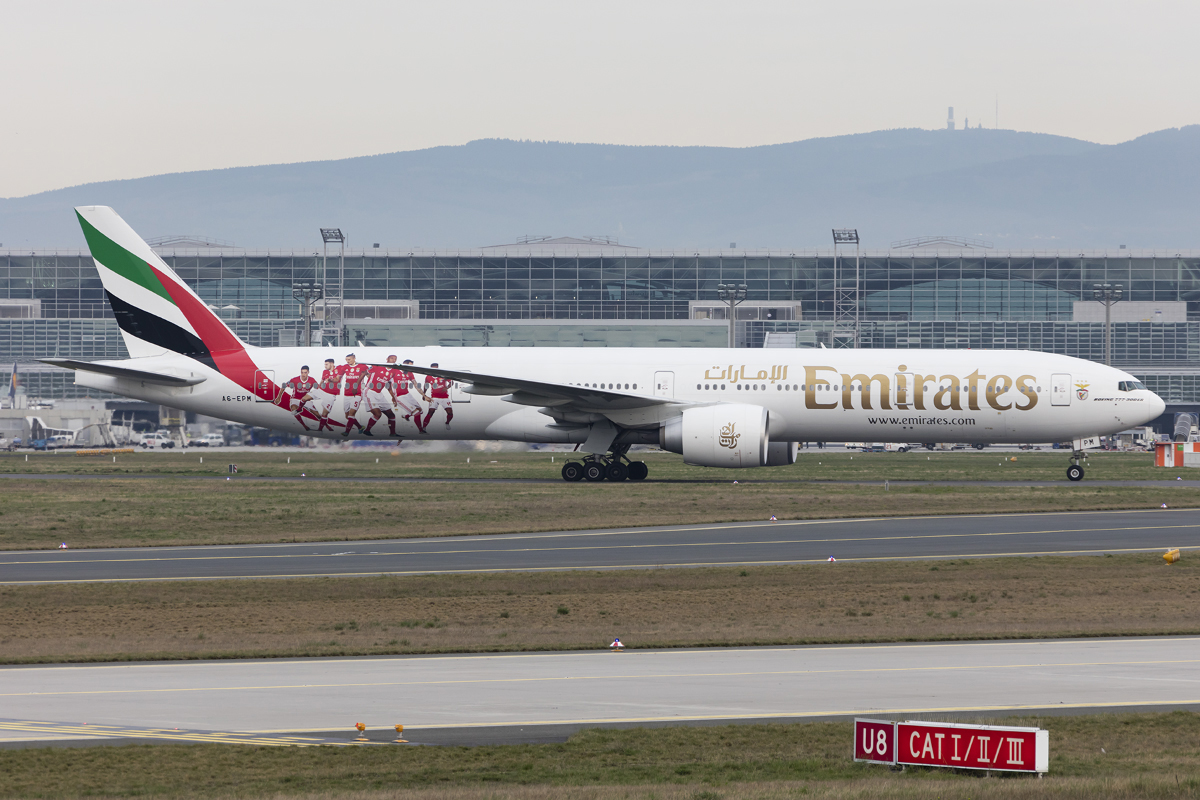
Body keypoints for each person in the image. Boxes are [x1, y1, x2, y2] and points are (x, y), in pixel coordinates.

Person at [336, 353, 370, 437]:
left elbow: (369, 376)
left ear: (354, 358)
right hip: (347, 394)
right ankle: (360, 427)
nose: (347, 361)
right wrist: (331, 380)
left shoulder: (362, 366)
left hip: (357, 394)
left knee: (351, 414)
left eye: (349, 359)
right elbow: (337, 378)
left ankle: (346, 432)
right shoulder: (345, 367)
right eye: (346, 360)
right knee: (347, 416)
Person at [362, 359, 399, 437]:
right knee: (378, 414)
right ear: (387, 359)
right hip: (370, 392)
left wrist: (393, 397)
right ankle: (367, 430)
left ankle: (393, 433)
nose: (393, 360)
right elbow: (365, 372)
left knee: (391, 415)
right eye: (392, 358)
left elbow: (388, 386)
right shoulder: (378, 367)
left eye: (395, 359)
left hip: (379, 394)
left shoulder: (392, 372)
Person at [394, 358, 428, 433]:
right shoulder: (395, 371)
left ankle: (407, 416)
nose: (410, 368)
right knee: (416, 413)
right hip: (399, 396)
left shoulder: (409, 373)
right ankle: (421, 430)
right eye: (409, 366)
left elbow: (415, 385)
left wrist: (424, 395)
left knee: (421, 410)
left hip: (407, 394)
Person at [421, 362, 453, 432]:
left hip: (444, 397)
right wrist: (424, 395)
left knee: (450, 413)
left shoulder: (443, 375)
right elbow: (426, 386)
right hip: (434, 397)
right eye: (433, 369)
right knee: (430, 412)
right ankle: (423, 427)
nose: (434, 371)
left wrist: (447, 387)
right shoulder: (428, 377)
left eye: (436, 369)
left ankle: (447, 423)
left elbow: (451, 382)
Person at [284, 366, 319, 431]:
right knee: (294, 409)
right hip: (295, 398)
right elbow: (284, 386)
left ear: (308, 372)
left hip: (306, 399)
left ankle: (326, 425)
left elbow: (318, 388)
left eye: (305, 372)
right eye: (302, 372)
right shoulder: (295, 379)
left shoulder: (312, 380)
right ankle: (304, 425)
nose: (303, 374)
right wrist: (278, 398)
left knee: (318, 415)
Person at [313, 359, 343, 432]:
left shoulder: (339, 369)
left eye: (326, 364)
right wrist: (319, 389)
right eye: (325, 364)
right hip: (323, 392)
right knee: (305, 399)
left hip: (331, 395)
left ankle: (321, 428)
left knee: (324, 413)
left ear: (332, 364)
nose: (325, 366)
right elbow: (322, 381)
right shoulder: (325, 372)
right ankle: (298, 408)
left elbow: (337, 379)